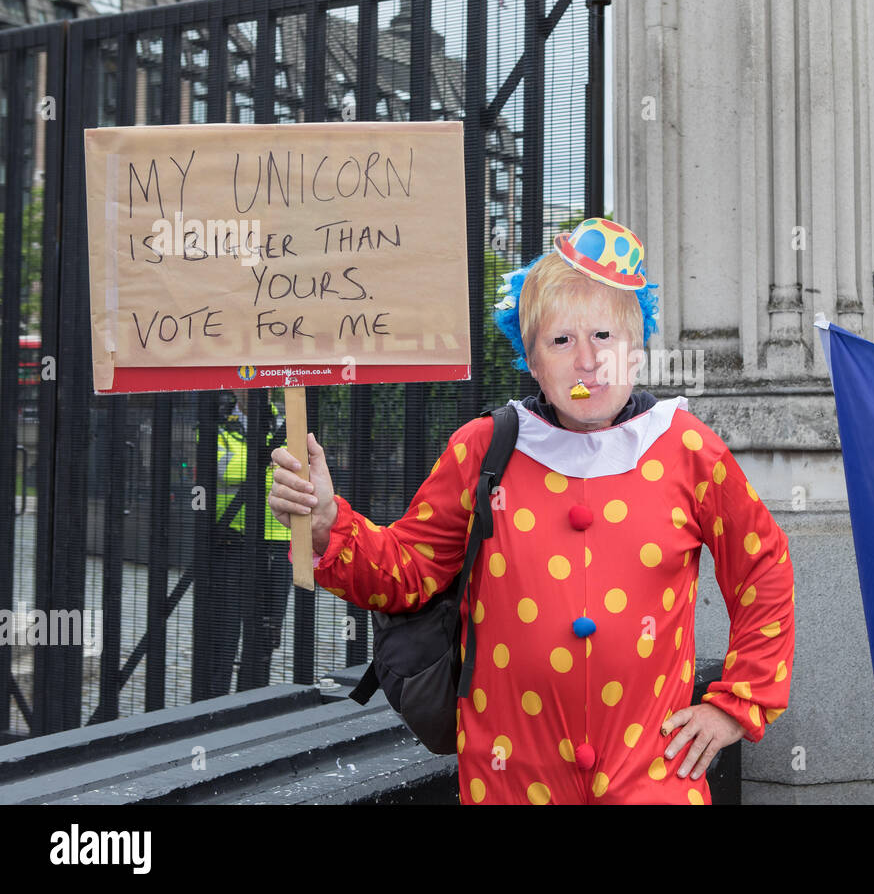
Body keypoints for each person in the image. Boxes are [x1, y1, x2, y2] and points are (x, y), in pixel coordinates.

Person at [269, 218, 795, 804]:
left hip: (653, 780)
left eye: (604, 337)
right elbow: (408, 570)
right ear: (532, 360)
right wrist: (325, 523)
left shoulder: (688, 449)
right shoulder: (483, 448)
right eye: (561, 341)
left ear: (636, 351)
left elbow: (763, 567)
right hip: (510, 780)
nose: (588, 361)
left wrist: (736, 705)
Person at [193, 389, 293, 699]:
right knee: (224, 630)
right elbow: (220, 470)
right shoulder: (216, 422)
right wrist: (270, 468)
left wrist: (255, 468)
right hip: (232, 538)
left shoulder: (290, 422)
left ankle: (252, 700)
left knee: (265, 633)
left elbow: (298, 472)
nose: (251, 391)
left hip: (278, 541)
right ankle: (213, 704)